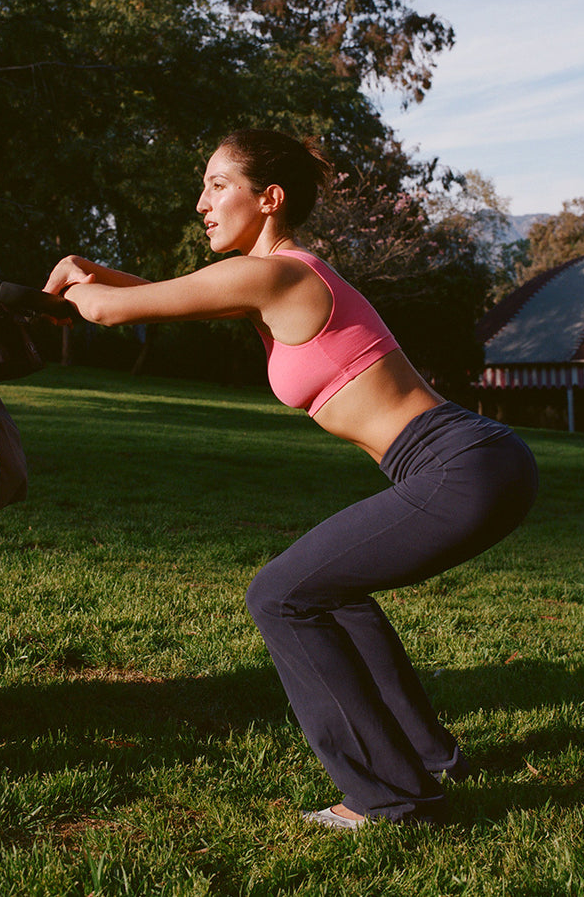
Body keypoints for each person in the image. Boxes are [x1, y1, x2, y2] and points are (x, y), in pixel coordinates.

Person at [43, 128, 538, 830]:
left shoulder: (279, 275)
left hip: (458, 464)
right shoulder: (276, 279)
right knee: (331, 592)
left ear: (268, 198)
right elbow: (159, 295)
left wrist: (68, 282)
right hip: (472, 460)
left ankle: (390, 797)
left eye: (218, 185)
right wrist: (92, 271)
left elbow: (114, 308)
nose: (201, 203)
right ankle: (431, 758)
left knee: (278, 595)